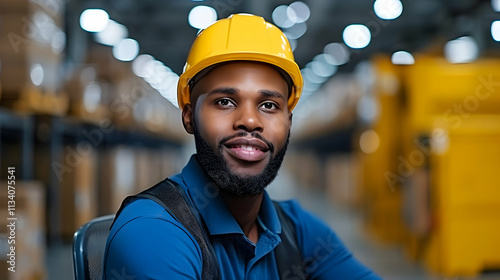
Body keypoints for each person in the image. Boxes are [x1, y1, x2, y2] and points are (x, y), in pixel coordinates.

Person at [103, 14, 381, 280]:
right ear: (189, 115)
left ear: (289, 122)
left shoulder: (298, 230)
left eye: (269, 105)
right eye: (225, 101)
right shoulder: (153, 231)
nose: (249, 120)